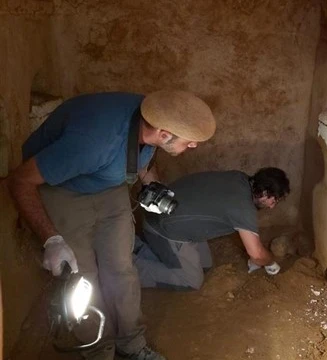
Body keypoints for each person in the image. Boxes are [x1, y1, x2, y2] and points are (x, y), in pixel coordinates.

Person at [7, 90, 216, 360]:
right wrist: (52, 240)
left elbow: (142, 156)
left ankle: (131, 345)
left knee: (121, 269)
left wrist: (152, 184)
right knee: (83, 278)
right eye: (190, 142)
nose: (193, 146)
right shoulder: (93, 143)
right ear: (164, 134)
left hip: (108, 184)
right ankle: (96, 351)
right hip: (62, 188)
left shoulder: (154, 114)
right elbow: (20, 180)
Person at [133, 168, 289, 290]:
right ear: (264, 193)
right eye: (274, 200)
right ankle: (130, 271)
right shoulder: (242, 207)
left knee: (205, 265)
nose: (272, 206)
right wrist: (270, 263)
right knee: (192, 281)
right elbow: (256, 254)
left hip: (171, 219)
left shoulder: (239, 178)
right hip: (163, 229)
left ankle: (140, 248)